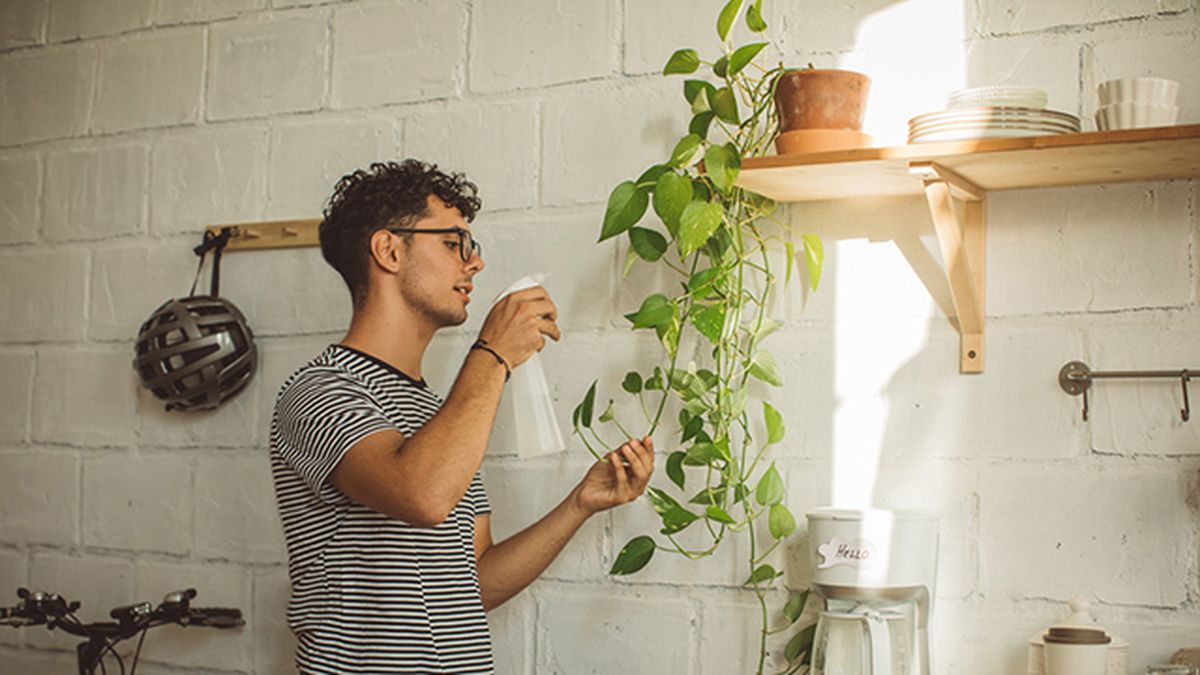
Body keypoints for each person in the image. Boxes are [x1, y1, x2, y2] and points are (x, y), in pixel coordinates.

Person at [269, 159, 655, 674]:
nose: (473, 265)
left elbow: (473, 582)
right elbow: (422, 495)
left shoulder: (440, 415)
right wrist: (493, 352)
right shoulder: (320, 391)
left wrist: (579, 504)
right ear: (388, 250)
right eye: (454, 244)